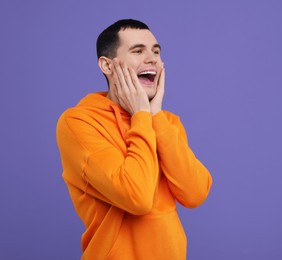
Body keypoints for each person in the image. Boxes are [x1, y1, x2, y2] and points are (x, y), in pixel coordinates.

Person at [56, 19, 213, 260]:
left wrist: (154, 116)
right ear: (107, 66)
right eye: (138, 51)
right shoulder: (78, 123)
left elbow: (195, 193)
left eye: (156, 51)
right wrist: (141, 116)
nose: (151, 59)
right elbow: (137, 197)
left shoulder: (168, 122)